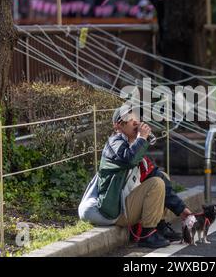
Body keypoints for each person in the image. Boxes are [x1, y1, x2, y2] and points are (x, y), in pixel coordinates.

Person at [78, 105, 192, 249]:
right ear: (117, 126)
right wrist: (142, 139)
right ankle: (147, 235)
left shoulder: (135, 147)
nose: (136, 123)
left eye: (136, 119)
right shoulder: (114, 143)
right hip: (113, 210)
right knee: (156, 184)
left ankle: (159, 227)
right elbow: (129, 159)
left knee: (161, 177)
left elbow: (155, 175)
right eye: (130, 119)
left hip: (125, 205)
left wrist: (182, 209)